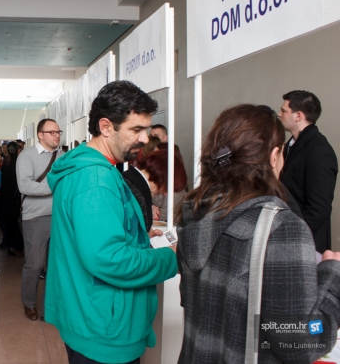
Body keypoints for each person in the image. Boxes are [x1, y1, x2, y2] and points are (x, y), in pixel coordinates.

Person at [176, 104, 340, 363]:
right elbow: (297, 342)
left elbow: (211, 310)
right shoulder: (281, 227)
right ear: (274, 156)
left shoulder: (196, 212)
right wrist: (332, 275)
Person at [45, 81, 177, 364]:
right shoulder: (95, 179)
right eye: (136, 129)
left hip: (90, 313)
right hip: (103, 327)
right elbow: (109, 258)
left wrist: (138, 236)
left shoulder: (94, 169)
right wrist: (169, 258)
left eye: (146, 129)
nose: (145, 139)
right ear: (106, 127)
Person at [278, 90, 338, 253]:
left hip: (305, 244)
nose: (279, 114)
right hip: (290, 239)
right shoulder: (291, 145)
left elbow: (319, 209)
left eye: (284, 110)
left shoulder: (319, 151)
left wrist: (293, 234)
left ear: (298, 116)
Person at [16, 118, 62, 321]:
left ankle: (47, 307)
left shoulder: (63, 157)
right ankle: (29, 303)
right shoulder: (27, 156)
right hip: (35, 217)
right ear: (40, 135)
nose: (57, 135)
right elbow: (25, 185)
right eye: (52, 132)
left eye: (58, 132)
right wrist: (55, 186)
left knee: (55, 266)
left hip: (60, 219)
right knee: (34, 265)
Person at [123, 149, 186, 229]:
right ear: (162, 175)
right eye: (167, 188)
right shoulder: (136, 191)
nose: (165, 193)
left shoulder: (128, 179)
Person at [0, 141, 24, 256]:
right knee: (17, 224)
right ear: (18, 150)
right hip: (16, 198)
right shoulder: (20, 162)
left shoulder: (5, 163)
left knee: (8, 224)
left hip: (5, 198)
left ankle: (10, 247)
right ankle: (16, 246)